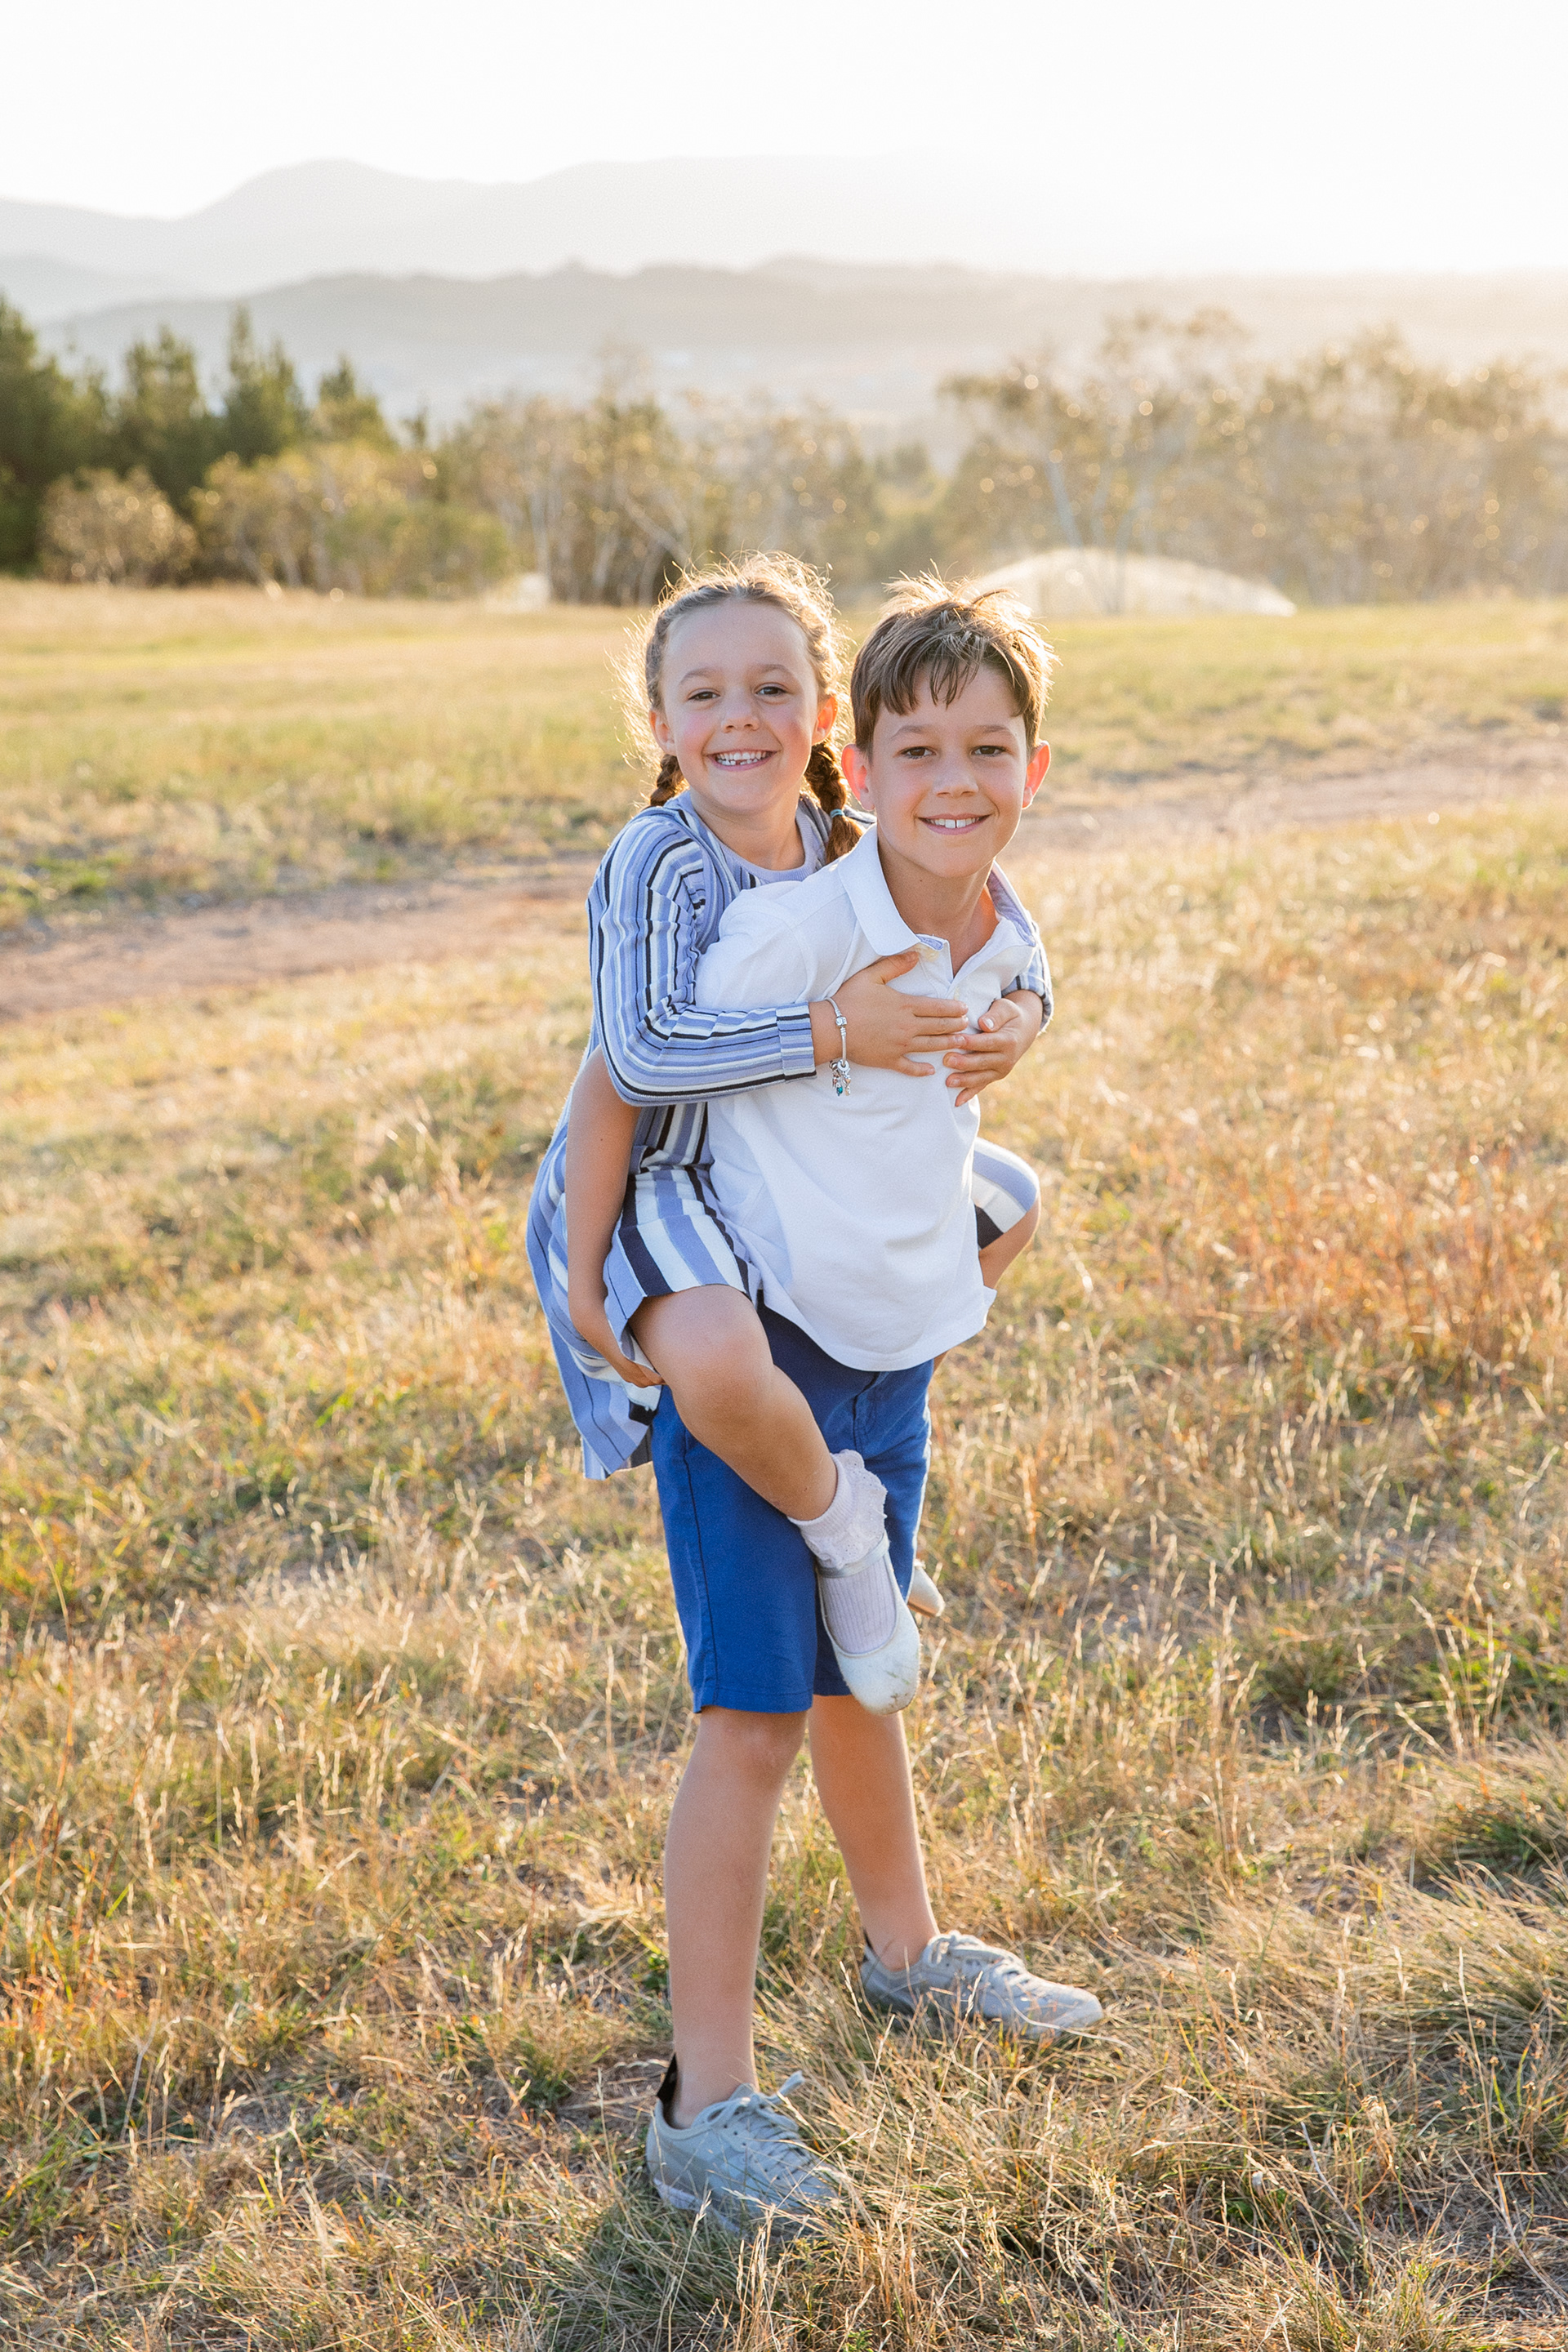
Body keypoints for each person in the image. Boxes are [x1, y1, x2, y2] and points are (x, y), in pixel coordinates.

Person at [639, 580, 1102, 2238]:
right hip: (767, 1358)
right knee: (753, 1719)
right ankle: (704, 2103)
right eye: (919, 749)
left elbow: (1024, 977)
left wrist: (1026, 1022)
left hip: (889, 1352)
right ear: (863, 761)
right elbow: (660, 1046)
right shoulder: (815, 918)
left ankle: (906, 1955)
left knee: (862, 1675)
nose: (955, 777)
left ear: (1032, 773)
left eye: (989, 747)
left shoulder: (998, 922)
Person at [526, 557, 1046, 1711]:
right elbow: (638, 1061)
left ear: (821, 714)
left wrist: (1025, 1010)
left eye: (771, 688)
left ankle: (847, 1443)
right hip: (659, 1170)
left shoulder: (839, 835)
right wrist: (833, 1031)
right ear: (660, 722)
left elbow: (993, 904)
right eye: (703, 695)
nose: (738, 717)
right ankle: (838, 1519)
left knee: (1006, 1203)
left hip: (779, 1157)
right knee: (712, 1353)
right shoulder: (658, 858)